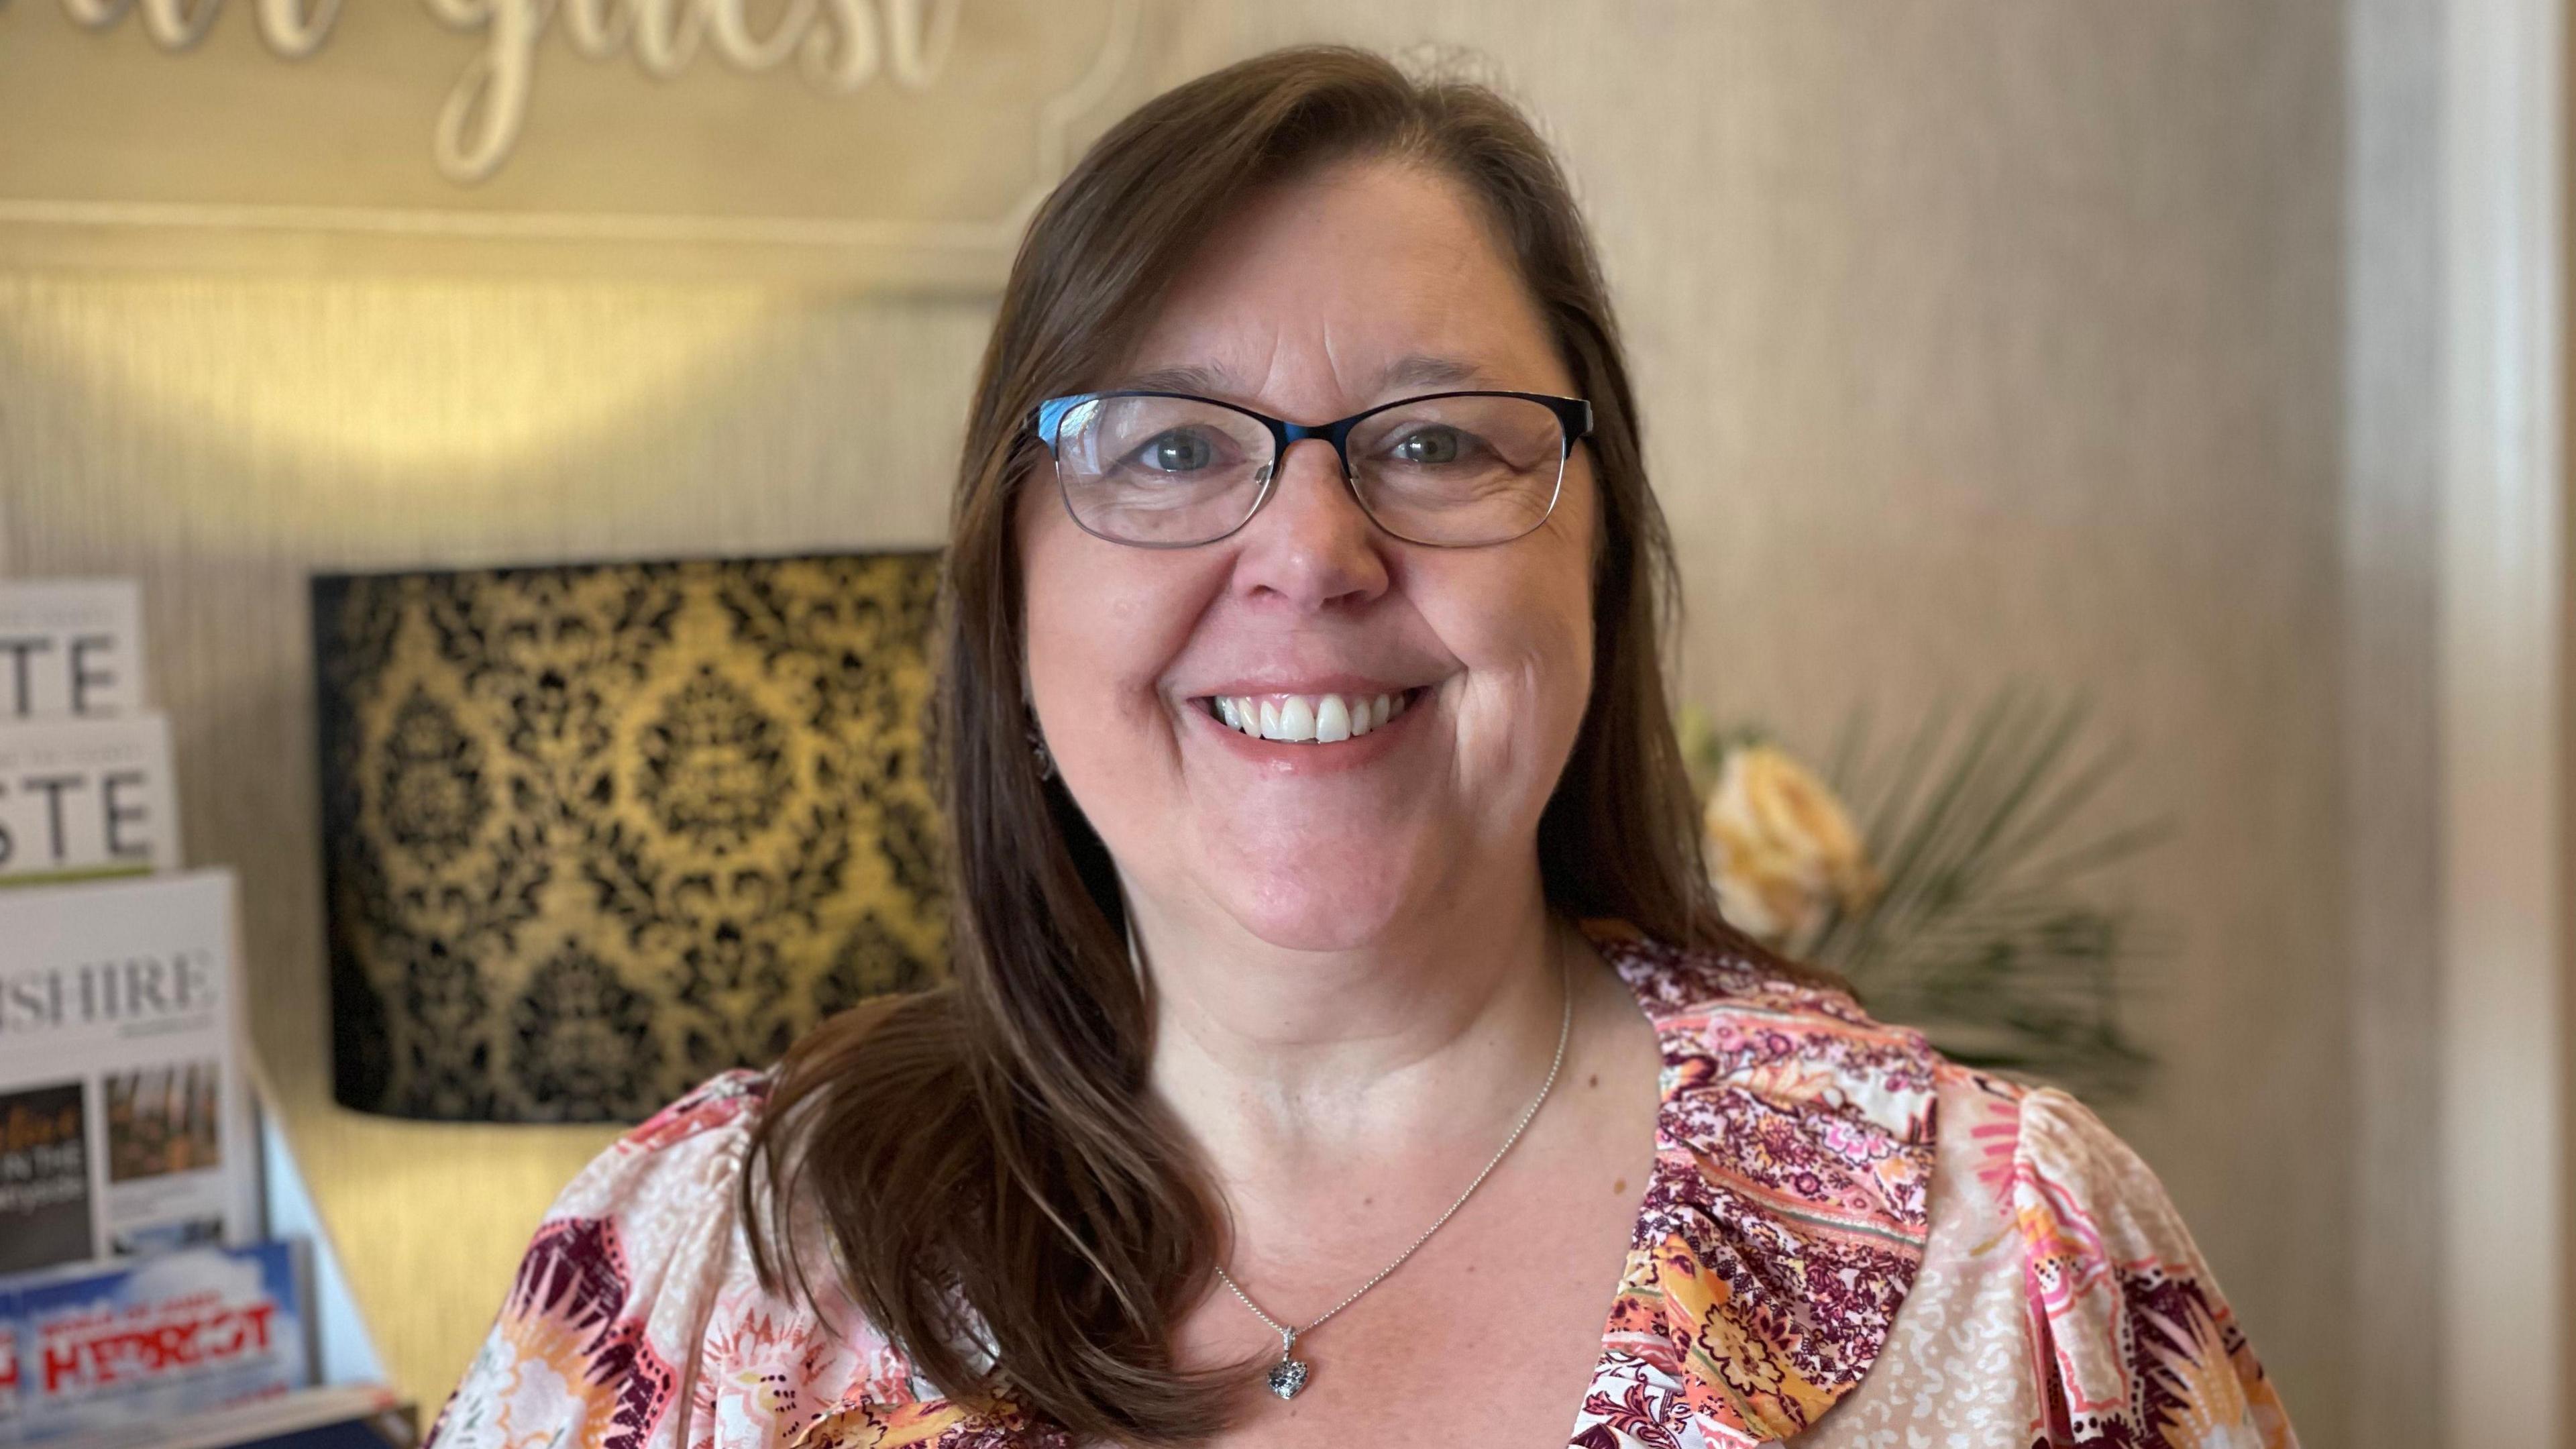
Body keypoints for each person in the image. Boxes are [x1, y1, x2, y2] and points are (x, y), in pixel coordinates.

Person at [423, 45, 2299, 1449]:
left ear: (1597, 565)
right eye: (1166, 449)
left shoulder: (2016, 1268)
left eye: (1435, 442)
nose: (1313, 556)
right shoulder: (694, 1268)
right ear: (1008, 599)